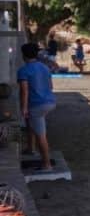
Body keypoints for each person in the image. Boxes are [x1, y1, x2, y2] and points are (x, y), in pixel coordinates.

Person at [17, 43, 56, 171]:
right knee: (31, 124)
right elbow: (50, 86)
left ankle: (46, 164)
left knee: (41, 135)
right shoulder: (44, 67)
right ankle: (30, 149)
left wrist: (23, 108)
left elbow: (24, 91)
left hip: (37, 105)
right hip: (50, 102)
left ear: (23, 55)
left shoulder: (23, 70)